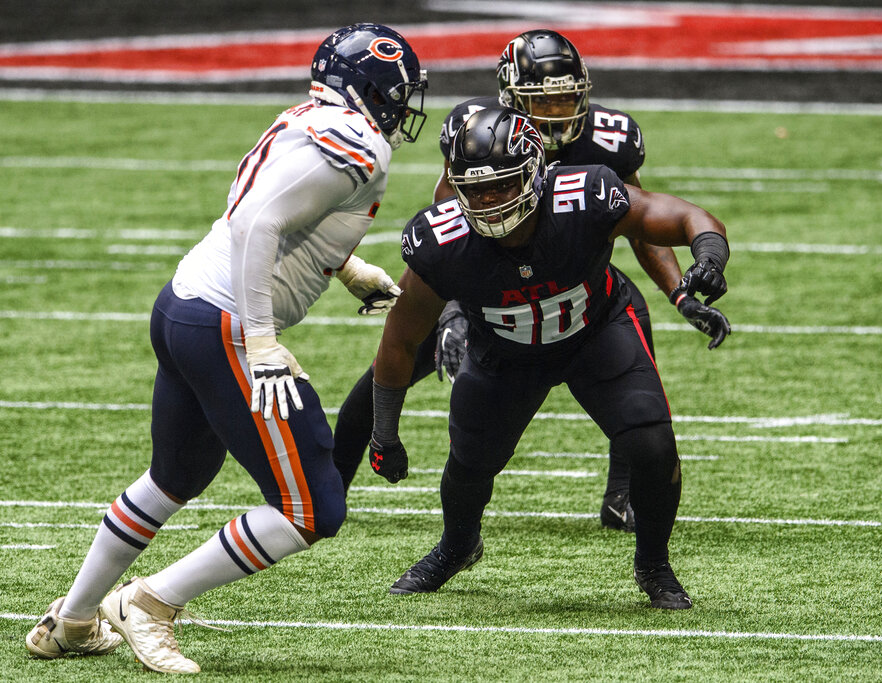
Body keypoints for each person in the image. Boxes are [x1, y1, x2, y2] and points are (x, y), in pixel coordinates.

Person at [24, 23, 427, 674]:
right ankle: (150, 603)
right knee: (312, 505)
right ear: (371, 88)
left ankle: (72, 620)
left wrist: (346, 267)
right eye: (398, 93)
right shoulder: (360, 143)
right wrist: (261, 339)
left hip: (183, 303)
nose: (403, 107)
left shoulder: (309, 115)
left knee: (175, 476)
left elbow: (274, 205)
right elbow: (257, 221)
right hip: (225, 324)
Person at [332, 30, 728, 532]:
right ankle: (329, 486)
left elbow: (638, 221)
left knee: (628, 335)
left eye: (568, 96)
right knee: (390, 365)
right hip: (479, 277)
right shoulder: (478, 131)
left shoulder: (609, 139)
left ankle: (622, 496)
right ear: (509, 99)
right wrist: (454, 310)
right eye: (544, 101)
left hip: (571, 272)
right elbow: (447, 227)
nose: (559, 112)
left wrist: (677, 291)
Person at [367, 107, 731, 610]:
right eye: (474, 190)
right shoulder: (441, 241)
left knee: (653, 446)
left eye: (502, 185)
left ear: (536, 172)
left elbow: (685, 216)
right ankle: (457, 545)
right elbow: (399, 340)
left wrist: (708, 257)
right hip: (503, 352)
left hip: (596, 332)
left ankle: (653, 562)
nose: (487, 201)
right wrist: (384, 431)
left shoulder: (584, 195)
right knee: (469, 468)